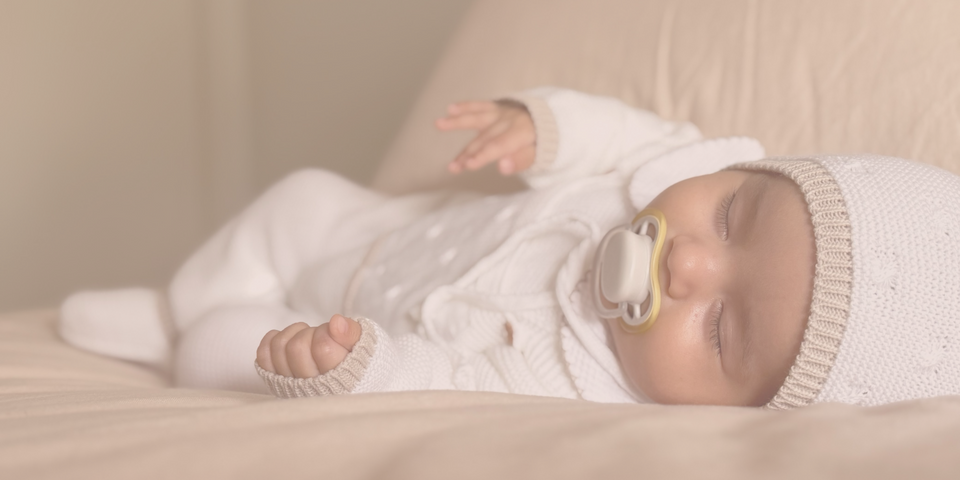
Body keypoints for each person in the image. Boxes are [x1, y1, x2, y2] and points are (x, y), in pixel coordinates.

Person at [60, 88, 960, 409]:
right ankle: (172, 302)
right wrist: (545, 127)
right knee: (299, 197)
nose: (689, 265)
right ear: (747, 171)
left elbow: (440, 381)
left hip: (340, 322)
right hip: (375, 231)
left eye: (723, 331)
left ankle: (185, 334)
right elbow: (620, 133)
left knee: (229, 345)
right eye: (731, 219)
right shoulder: (666, 170)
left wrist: (361, 366)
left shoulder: (574, 386)